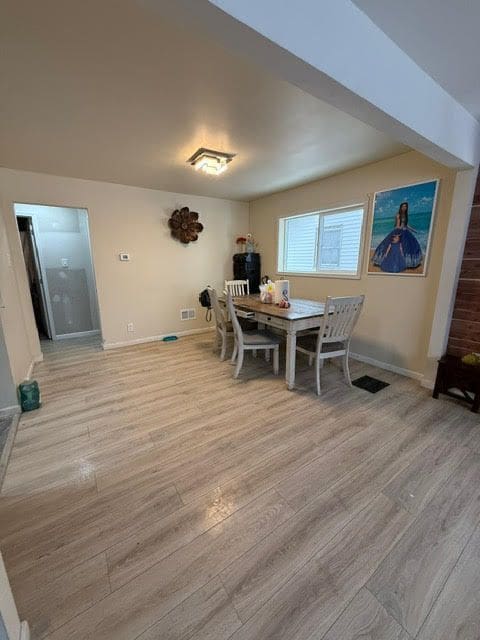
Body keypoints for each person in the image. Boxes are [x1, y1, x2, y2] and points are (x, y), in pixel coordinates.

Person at [373, 202, 422, 272]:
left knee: (409, 246)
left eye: (405, 206)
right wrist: (401, 229)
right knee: (398, 247)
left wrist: (413, 230)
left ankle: (407, 263)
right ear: (401, 207)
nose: (404, 208)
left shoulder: (405, 215)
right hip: (399, 231)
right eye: (403, 206)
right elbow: (397, 226)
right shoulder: (398, 215)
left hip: (405, 231)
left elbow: (406, 225)